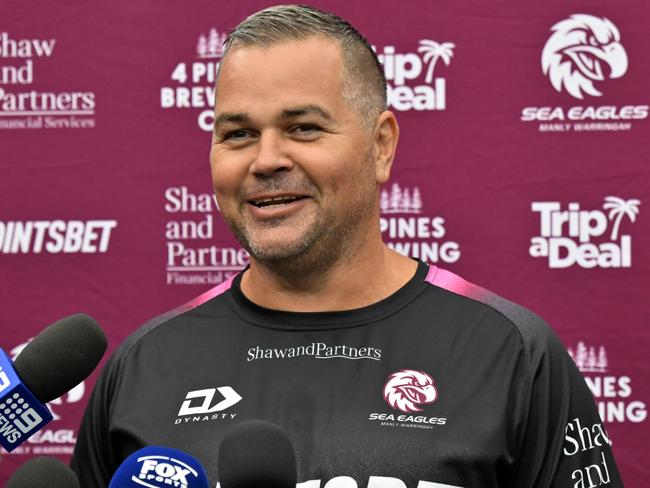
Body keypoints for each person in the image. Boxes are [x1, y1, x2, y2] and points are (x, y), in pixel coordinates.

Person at [72, 5, 624, 488]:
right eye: (238, 134)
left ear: (381, 146)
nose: (266, 161)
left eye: (304, 128)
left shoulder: (512, 352)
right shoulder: (143, 365)